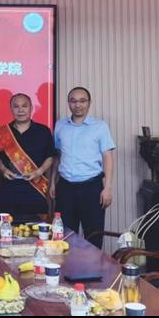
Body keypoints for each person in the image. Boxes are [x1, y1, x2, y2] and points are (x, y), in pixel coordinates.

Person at [51, 87, 116, 248]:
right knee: (64, 237)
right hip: (65, 188)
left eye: (82, 101)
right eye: (73, 101)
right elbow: (57, 156)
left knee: (93, 237)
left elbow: (108, 157)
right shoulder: (60, 125)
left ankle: (93, 266)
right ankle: (66, 265)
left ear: (89, 103)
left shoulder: (100, 126)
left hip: (91, 188)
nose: (78, 105)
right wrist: (52, 182)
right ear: (68, 103)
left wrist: (107, 188)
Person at [0, 93, 54, 223]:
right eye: (16, 106)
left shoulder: (43, 131)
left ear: (31, 108)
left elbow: (50, 156)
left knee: (37, 228)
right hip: (9, 190)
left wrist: (39, 172)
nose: (20, 110)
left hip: (35, 189)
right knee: (6, 228)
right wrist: (3, 170)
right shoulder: (2, 132)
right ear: (11, 109)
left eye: (24, 106)